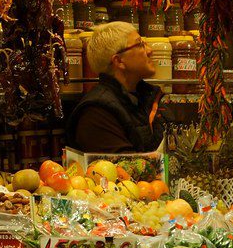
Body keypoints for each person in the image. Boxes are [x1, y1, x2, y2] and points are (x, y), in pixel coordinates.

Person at [68, 21, 163, 154]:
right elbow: (125, 169)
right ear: (119, 61)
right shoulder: (97, 112)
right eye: (140, 44)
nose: (150, 51)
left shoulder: (145, 98)